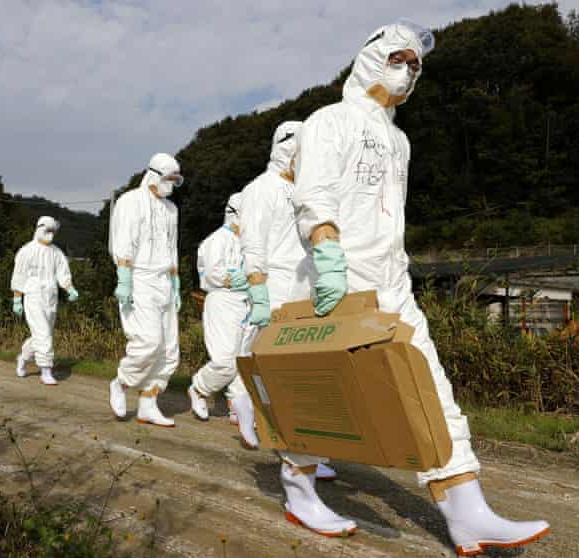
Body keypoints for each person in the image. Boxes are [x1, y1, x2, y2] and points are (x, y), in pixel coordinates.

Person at [288, 22, 550, 552]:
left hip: (391, 280)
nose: (408, 71)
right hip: (339, 277)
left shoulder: (400, 140)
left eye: (415, 65)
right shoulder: (328, 121)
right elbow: (312, 192)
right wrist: (327, 251)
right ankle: (298, 487)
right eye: (399, 58)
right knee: (324, 396)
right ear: (370, 58)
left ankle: (466, 508)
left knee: (428, 386)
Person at [236, 122, 337, 479]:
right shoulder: (260, 190)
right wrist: (258, 290)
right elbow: (253, 244)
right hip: (276, 286)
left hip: (306, 289)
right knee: (271, 372)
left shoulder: (307, 194)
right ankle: (248, 407)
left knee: (304, 376)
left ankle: (305, 452)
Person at [108, 153, 182, 427]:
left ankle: (148, 404)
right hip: (139, 279)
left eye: (176, 180)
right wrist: (124, 277)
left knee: (169, 349)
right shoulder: (130, 201)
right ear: (153, 174)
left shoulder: (171, 210)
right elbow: (123, 240)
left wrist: (176, 283)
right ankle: (121, 383)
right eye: (168, 178)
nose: (171, 184)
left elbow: (172, 247)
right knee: (148, 342)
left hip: (164, 280)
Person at [188, 193, 258, 446]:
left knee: (245, 357)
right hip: (223, 301)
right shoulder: (215, 241)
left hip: (248, 302)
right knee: (226, 360)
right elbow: (210, 276)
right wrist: (238, 278)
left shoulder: (251, 242)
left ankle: (238, 406)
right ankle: (199, 388)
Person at [11, 217, 77, 386]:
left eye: (52, 231)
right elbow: (19, 275)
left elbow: (63, 273)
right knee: (43, 334)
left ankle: (23, 358)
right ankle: (46, 370)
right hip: (33, 296)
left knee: (42, 334)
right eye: (47, 230)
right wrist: (17, 299)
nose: (50, 234)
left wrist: (69, 288)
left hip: (51, 297)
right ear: (39, 229)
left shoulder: (56, 252)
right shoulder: (27, 251)